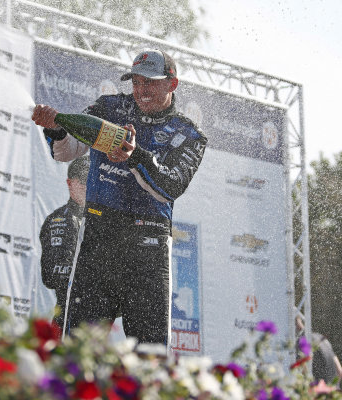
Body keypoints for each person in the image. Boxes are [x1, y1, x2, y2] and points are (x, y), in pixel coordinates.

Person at [31, 50, 207, 345]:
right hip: (99, 240)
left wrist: (134, 156)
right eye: (136, 83)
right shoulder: (109, 107)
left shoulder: (188, 134)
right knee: (77, 351)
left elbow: (171, 187)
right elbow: (68, 150)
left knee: (148, 359)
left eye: (149, 83)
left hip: (148, 251)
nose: (141, 91)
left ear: (172, 85)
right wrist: (57, 129)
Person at [39, 156, 90, 337]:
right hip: (69, 319)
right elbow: (51, 274)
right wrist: (96, 275)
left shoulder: (103, 220)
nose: (88, 186)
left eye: (93, 181)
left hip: (98, 324)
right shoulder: (60, 220)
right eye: (84, 180)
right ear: (70, 183)